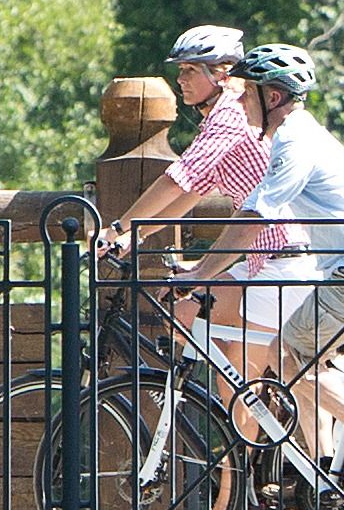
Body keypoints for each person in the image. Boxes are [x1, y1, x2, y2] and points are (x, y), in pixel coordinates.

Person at [222, 42, 344, 455]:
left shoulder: (297, 140)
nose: (240, 101)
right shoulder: (297, 137)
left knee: (287, 352)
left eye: (247, 92)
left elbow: (257, 215)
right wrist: (205, 267)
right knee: (302, 357)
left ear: (272, 97)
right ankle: (327, 466)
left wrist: (200, 274)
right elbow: (253, 208)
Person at [94, 24, 289, 370]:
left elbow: (177, 181)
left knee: (202, 327)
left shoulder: (230, 113)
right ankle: (250, 391)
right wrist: (138, 235)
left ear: (222, 74)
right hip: (262, 259)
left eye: (190, 70)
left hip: (282, 259)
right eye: (180, 70)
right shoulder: (227, 114)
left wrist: (118, 228)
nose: (180, 79)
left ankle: (257, 391)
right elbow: (192, 192)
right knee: (196, 325)